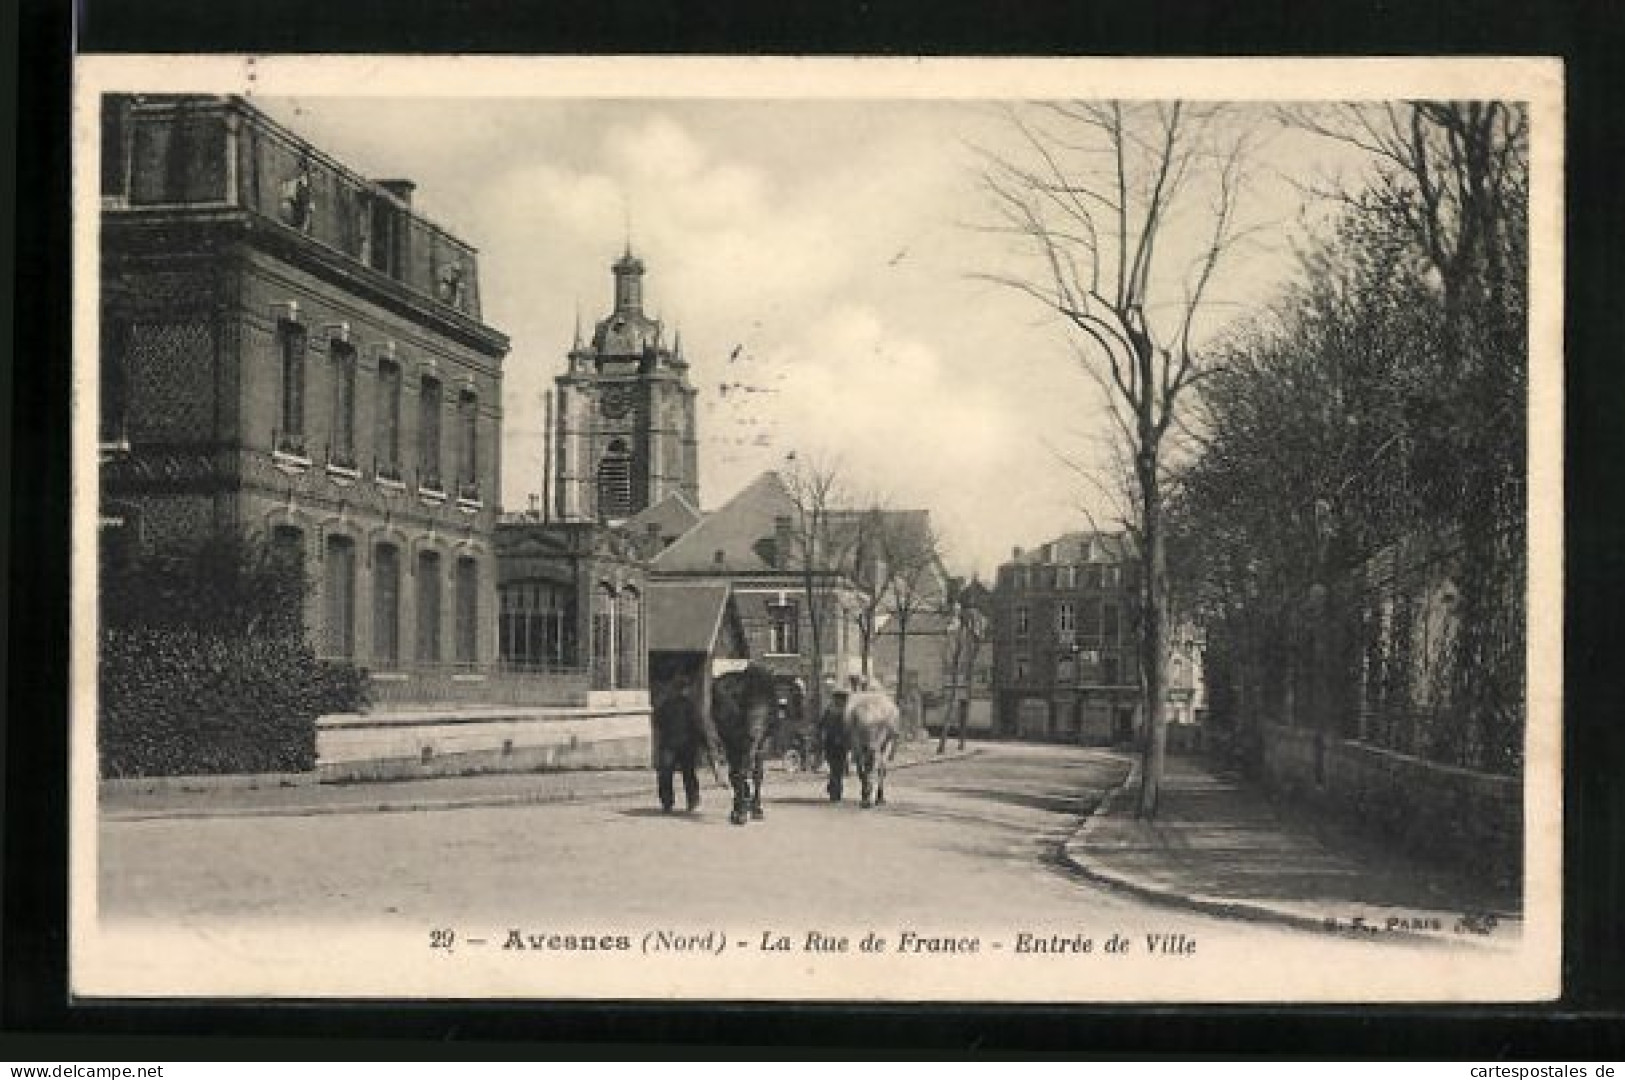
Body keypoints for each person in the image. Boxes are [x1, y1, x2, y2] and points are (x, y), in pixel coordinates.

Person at [654, 675, 706, 813]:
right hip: (684, 744)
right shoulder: (689, 705)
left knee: (667, 773)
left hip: (671, 744)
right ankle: (691, 800)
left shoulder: (666, 704)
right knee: (687, 773)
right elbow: (698, 725)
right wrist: (702, 743)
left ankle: (668, 801)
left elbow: (657, 723)